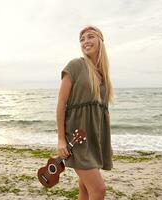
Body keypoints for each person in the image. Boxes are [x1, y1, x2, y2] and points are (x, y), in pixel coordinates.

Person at [56, 25, 114, 200]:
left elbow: (103, 113)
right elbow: (61, 104)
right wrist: (60, 139)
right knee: (99, 190)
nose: (85, 42)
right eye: (82, 39)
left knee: (85, 188)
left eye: (90, 37)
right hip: (77, 138)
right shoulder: (75, 66)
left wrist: (107, 144)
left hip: (94, 140)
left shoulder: (103, 76)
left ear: (100, 41)